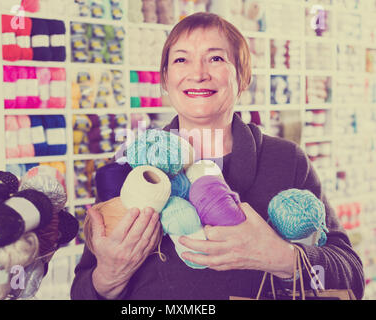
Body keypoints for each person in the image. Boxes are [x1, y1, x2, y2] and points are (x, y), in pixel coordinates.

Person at [71, 12, 365, 300]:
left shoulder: (286, 160)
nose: (198, 74)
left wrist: (282, 257)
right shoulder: (129, 168)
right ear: (165, 79)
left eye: (216, 58)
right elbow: (81, 292)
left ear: (243, 76)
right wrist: (108, 277)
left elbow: (351, 277)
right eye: (181, 59)